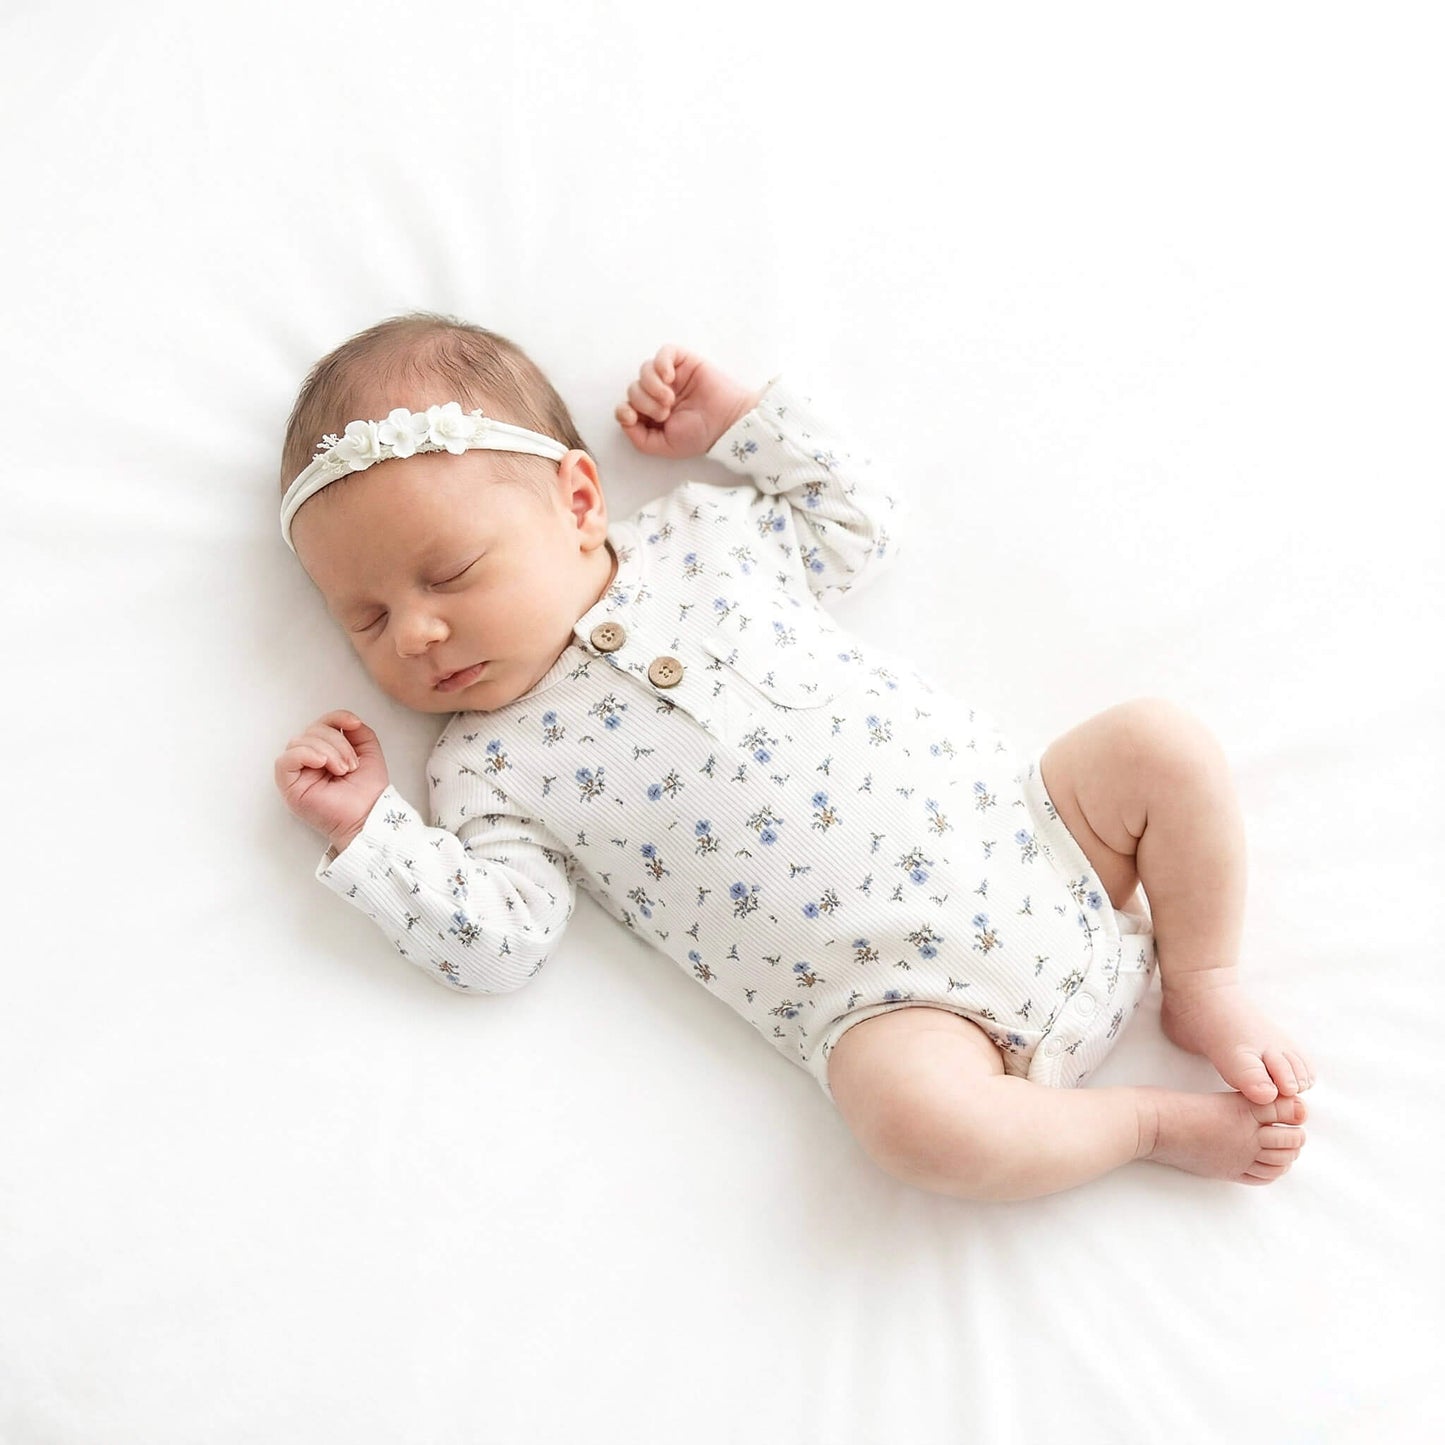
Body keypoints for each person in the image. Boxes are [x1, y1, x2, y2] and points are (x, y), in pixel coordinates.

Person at [273, 312, 1313, 1201]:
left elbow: (858, 521)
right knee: (910, 1125)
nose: (414, 633)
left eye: (447, 573)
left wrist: (735, 424)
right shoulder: (484, 767)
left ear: (580, 504)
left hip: (1046, 830)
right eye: (364, 617)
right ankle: (1143, 1127)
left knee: (1156, 744)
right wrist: (372, 831)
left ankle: (1201, 975)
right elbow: (504, 938)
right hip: (899, 1008)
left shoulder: (701, 537)